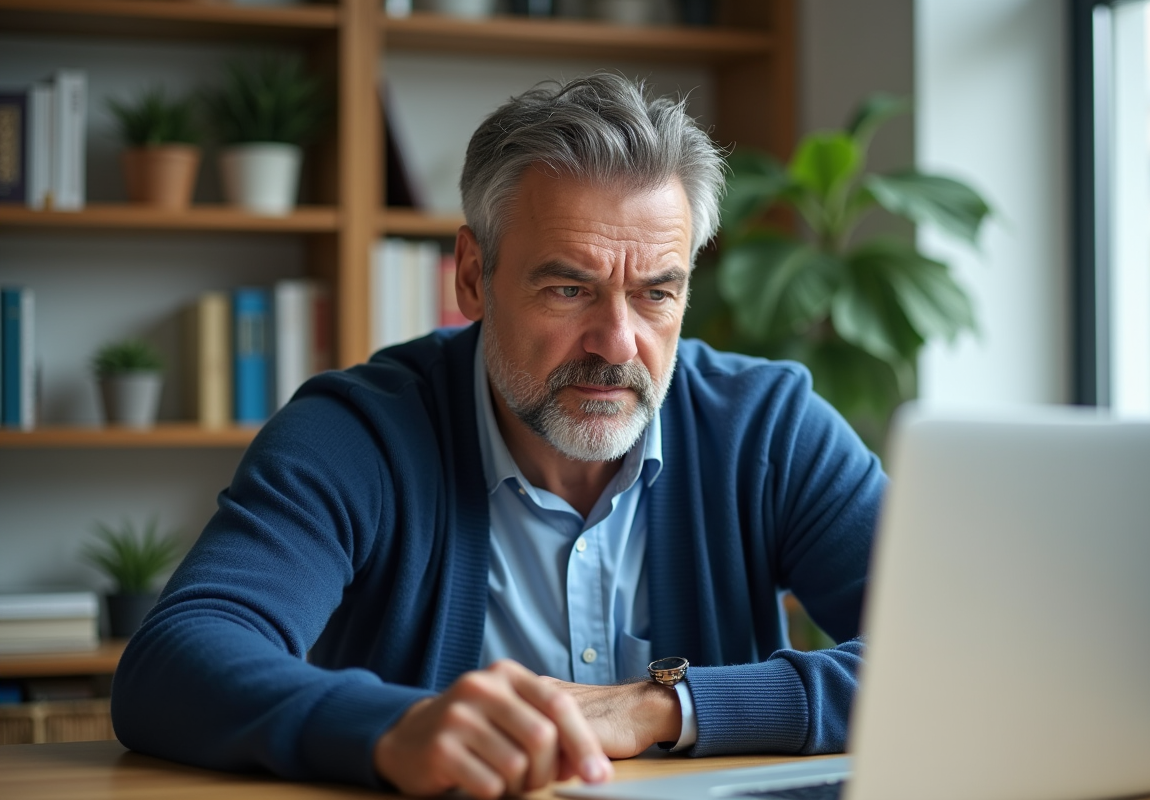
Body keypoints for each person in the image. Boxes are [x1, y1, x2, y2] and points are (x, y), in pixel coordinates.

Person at [111, 73, 885, 800]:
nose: (616, 345)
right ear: (473, 277)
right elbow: (176, 662)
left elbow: (973, 660)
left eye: (655, 293)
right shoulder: (357, 435)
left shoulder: (768, 427)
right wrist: (398, 726)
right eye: (569, 288)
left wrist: (665, 706)